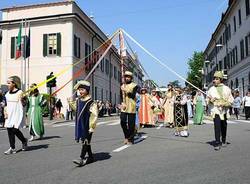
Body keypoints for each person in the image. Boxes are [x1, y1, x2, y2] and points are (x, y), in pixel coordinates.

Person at [68, 80, 98, 166]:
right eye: (79, 90)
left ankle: (81, 158)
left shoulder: (91, 102)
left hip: (87, 125)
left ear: (87, 90)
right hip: (80, 124)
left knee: (86, 141)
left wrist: (92, 126)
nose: (80, 91)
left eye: (82, 90)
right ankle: (91, 157)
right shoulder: (78, 100)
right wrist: (70, 102)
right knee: (85, 141)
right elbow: (76, 109)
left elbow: (94, 115)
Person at [207, 71, 234, 151]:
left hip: (224, 111)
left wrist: (225, 104)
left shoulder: (227, 89)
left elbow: (231, 100)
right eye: (214, 79)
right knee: (217, 126)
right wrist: (210, 100)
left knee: (224, 125)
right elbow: (207, 100)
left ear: (221, 79)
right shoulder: (211, 89)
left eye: (216, 79)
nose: (214, 80)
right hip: (216, 111)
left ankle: (224, 140)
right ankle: (217, 142)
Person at [4, 76, 28, 155]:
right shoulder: (7, 94)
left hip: (17, 114)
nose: (7, 85)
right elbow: (6, 104)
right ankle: (12, 148)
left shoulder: (20, 92)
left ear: (14, 84)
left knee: (15, 130)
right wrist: (5, 112)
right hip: (9, 114)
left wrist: (22, 99)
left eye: (9, 83)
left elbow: (24, 104)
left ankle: (24, 140)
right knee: (9, 130)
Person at [120, 71, 138, 145]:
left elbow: (133, 95)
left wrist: (125, 90)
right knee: (122, 122)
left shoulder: (135, 85)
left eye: (128, 77)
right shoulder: (122, 85)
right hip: (124, 106)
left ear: (131, 78)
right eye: (126, 77)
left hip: (131, 106)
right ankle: (126, 136)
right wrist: (121, 103)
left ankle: (131, 139)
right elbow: (121, 96)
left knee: (131, 124)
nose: (127, 78)